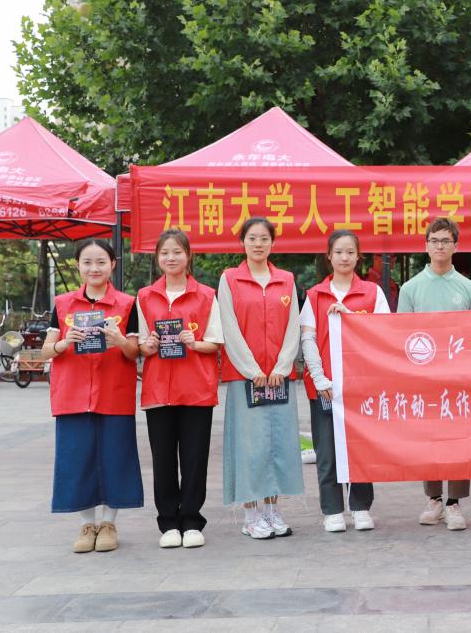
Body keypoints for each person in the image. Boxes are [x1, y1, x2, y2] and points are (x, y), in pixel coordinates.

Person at [42, 239, 141, 553]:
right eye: (87, 262)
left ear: (113, 264)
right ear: (77, 266)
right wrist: (65, 342)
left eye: (101, 262)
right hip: (72, 394)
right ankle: (87, 525)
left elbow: (134, 352)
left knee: (116, 457)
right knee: (77, 459)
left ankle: (109, 523)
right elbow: (46, 350)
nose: (94, 268)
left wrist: (119, 340)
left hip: (114, 392)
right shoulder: (63, 304)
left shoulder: (127, 304)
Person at [218, 217, 304, 540]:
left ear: (272, 243)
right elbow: (229, 327)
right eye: (252, 238)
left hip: (279, 379)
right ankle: (251, 515)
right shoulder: (230, 279)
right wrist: (252, 369)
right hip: (246, 379)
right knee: (250, 446)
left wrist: (282, 365)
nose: (258, 244)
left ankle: (272, 511)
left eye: (264, 238)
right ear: (242, 242)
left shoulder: (286, 280)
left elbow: (293, 325)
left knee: (278, 445)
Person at [137, 229, 223, 549]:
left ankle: (192, 520)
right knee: (162, 460)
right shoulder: (145, 296)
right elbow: (141, 344)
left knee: (194, 458)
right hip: (158, 390)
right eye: (165, 253)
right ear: (157, 258)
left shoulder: (207, 295)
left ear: (188, 256)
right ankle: (168, 523)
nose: (171, 258)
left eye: (177, 252)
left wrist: (195, 342)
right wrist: (148, 345)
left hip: (196, 389)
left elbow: (215, 342)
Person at [301, 230, 390, 532]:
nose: (344, 257)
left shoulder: (372, 293)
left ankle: (361, 507)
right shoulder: (315, 295)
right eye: (338, 252)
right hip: (325, 388)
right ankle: (332, 510)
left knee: (360, 449)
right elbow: (308, 339)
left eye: (350, 252)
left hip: (360, 387)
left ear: (358, 256)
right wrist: (319, 378)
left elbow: (383, 334)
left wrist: (349, 315)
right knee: (327, 450)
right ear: (329, 256)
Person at [398, 218, 471, 530]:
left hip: (460, 377)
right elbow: (402, 335)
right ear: (426, 246)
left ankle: (454, 502)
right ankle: (434, 498)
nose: (440, 246)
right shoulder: (410, 288)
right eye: (434, 241)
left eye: (446, 241)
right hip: (424, 378)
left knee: (459, 439)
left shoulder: (469, 288)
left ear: (456, 246)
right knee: (428, 438)